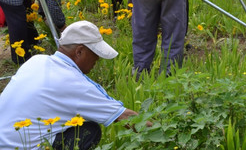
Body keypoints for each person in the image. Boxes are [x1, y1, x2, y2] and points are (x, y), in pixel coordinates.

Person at [0, 21, 149, 150]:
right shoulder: (74, 84)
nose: (96, 60)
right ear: (79, 51)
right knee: (89, 131)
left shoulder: (36, 61)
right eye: (95, 55)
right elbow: (123, 116)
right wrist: (161, 131)